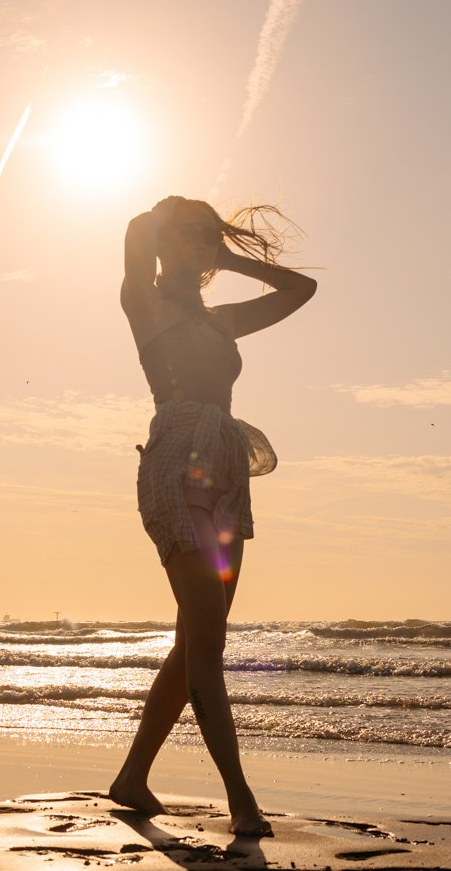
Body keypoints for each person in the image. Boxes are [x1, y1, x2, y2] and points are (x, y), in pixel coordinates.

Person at [108, 194, 317, 836]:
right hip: (175, 461)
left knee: (199, 635)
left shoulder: (220, 321)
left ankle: (132, 777)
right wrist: (172, 220)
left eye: (208, 234)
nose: (200, 241)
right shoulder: (143, 303)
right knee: (208, 640)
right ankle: (241, 797)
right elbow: (134, 233)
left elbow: (300, 287)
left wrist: (225, 253)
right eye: (190, 233)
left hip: (225, 469)